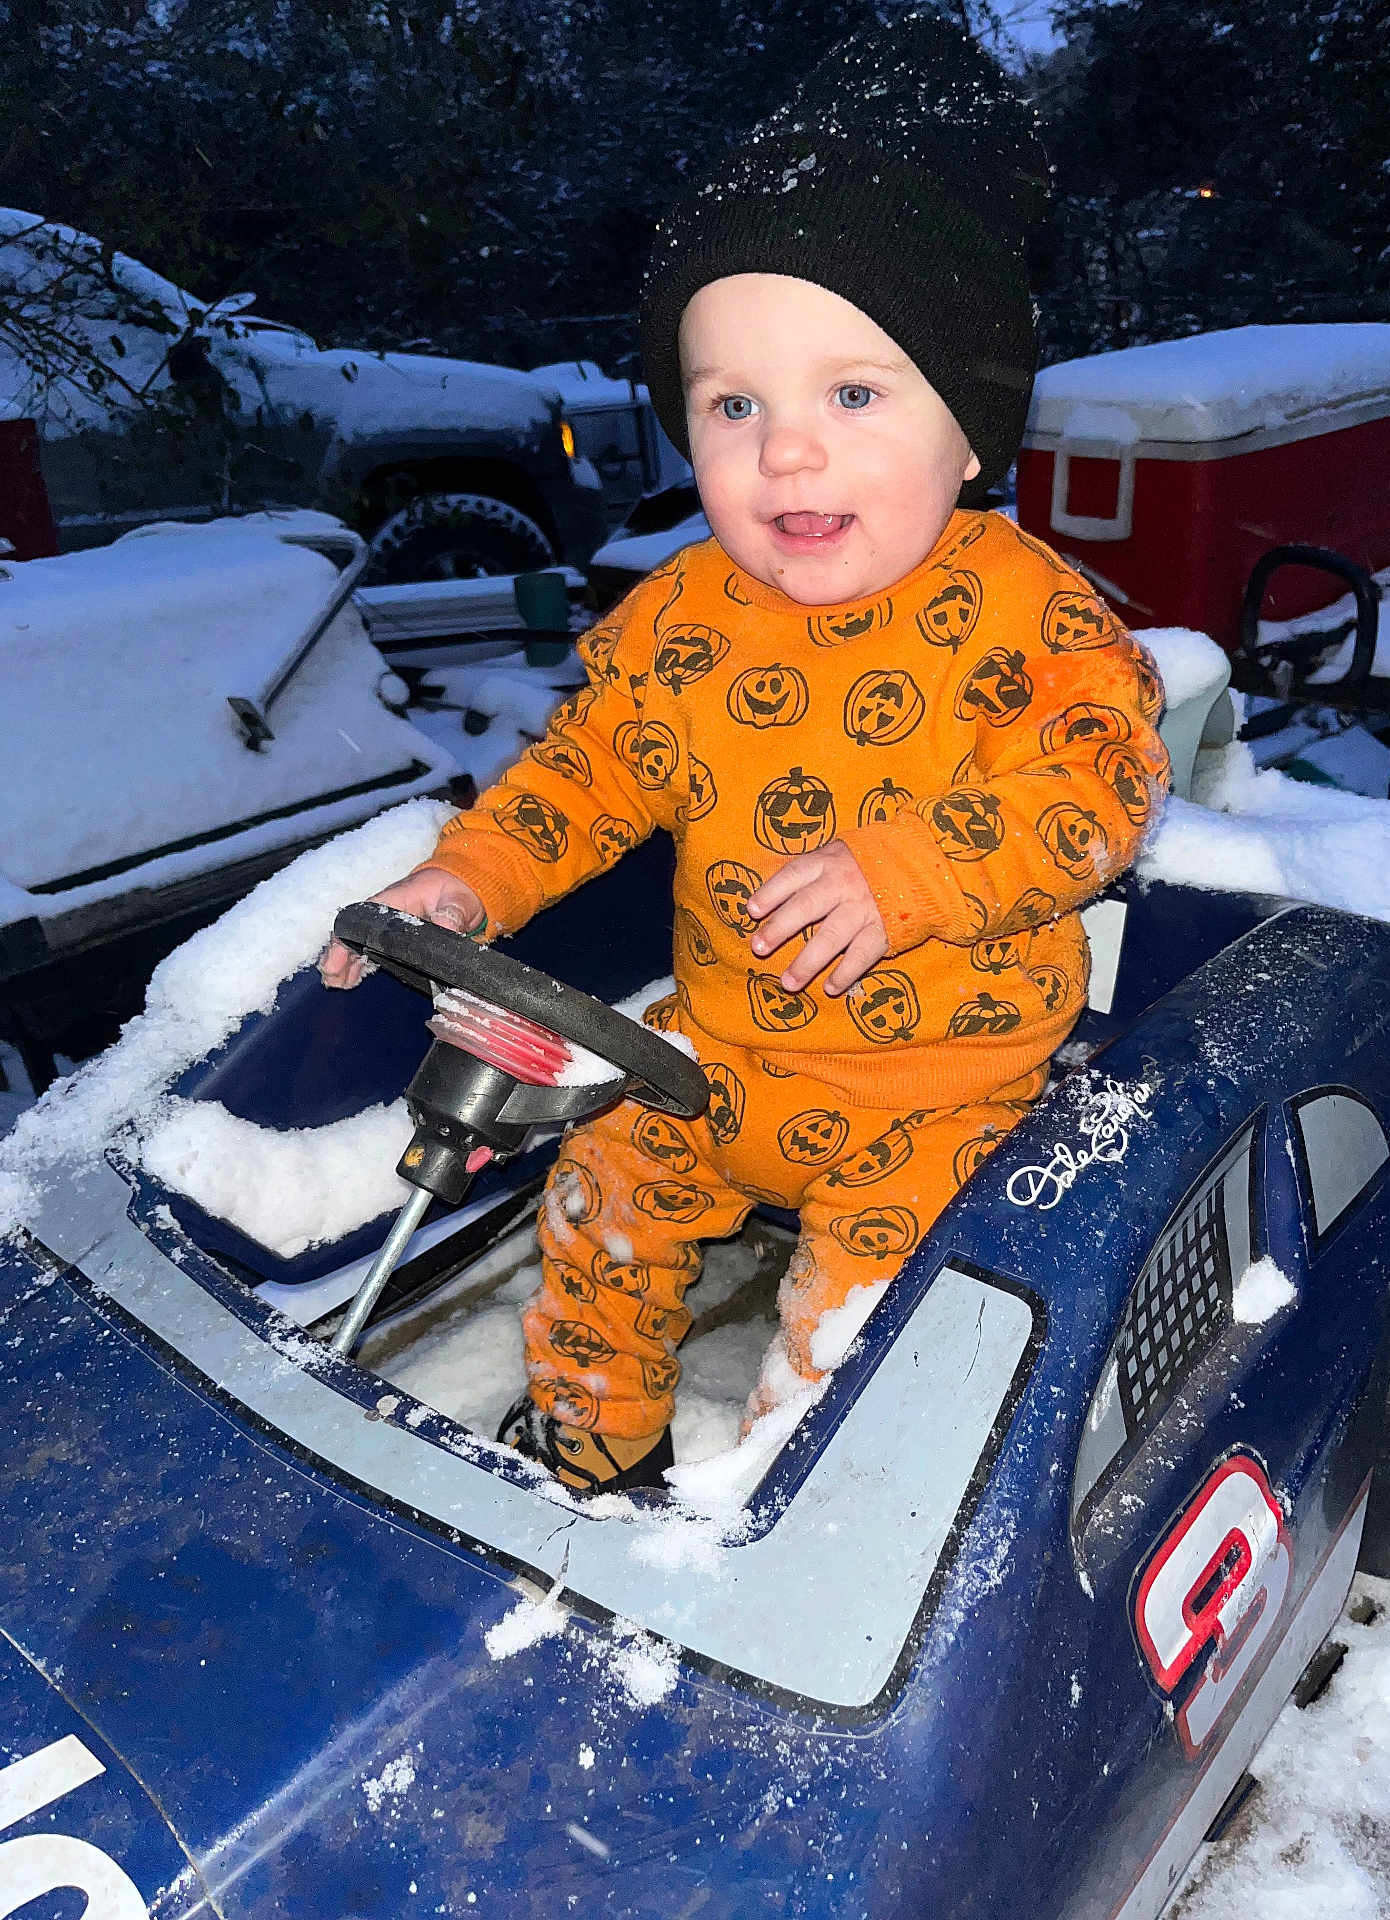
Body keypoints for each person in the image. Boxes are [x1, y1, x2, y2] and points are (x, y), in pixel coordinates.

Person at [321, 13, 1170, 1494]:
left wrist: (909, 870)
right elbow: (587, 775)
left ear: (966, 431)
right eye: (735, 404)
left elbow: (1101, 786)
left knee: (871, 1316)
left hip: (940, 1087)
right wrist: (470, 880)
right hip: (724, 1048)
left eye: (852, 395)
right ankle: (587, 1446)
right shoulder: (686, 616)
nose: (787, 451)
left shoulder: (1022, 609)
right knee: (598, 1183)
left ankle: (790, 1498)